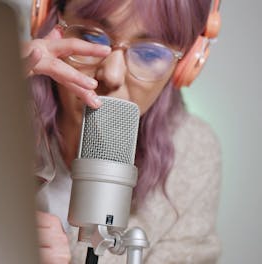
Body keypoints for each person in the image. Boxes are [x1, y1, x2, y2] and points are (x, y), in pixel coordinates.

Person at [22, 0, 222, 263]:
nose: (112, 75)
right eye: (91, 38)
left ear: (186, 65)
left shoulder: (192, 154)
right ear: (48, 20)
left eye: (150, 54)